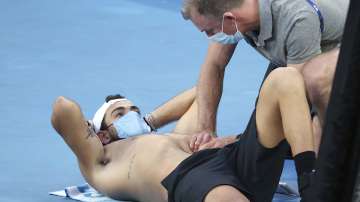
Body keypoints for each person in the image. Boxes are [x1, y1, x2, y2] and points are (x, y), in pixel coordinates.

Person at [51, 67, 316, 202]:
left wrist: (149, 121)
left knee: (285, 77)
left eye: (135, 109)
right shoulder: (100, 161)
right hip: (190, 177)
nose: (132, 114)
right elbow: (63, 109)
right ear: (101, 134)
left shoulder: (169, 138)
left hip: (233, 159)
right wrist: (96, 132)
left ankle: (311, 180)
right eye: (120, 114)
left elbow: (200, 92)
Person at [180, 0, 348, 146]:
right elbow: (214, 65)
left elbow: (295, 102)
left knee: (314, 134)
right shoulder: (236, 12)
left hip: (347, 52)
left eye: (209, 31)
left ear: (230, 18)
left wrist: (233, 141)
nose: (210, 37)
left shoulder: (298, 18)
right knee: (264, 119)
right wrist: (206, 130)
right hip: (302, 52)